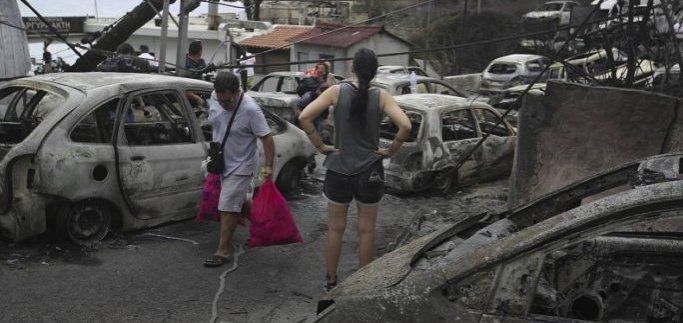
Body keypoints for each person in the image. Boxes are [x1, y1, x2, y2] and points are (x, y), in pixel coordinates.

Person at [298, 48, 412, 291]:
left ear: (352, 68)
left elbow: (305, 117)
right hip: (370, 170)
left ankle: (331, 281)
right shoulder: (382, 96)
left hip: (339, 168)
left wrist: (320, 145)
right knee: (367, 230)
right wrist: (391, 150)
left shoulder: (336, 91)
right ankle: (363, 285)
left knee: (335, 228)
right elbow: (405, 125)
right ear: (374, 70)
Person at [204, 71, 276, 267]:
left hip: (241, 165)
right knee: (236, 200)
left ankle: (223, 250)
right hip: (219, 160)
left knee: (227, 204)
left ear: (237, 92)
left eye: (227, 102)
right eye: (220, 101)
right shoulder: (215, 97)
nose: (223, 105)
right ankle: (265, 225)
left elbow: (267, 138)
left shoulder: (251, 110)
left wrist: (268, 166)